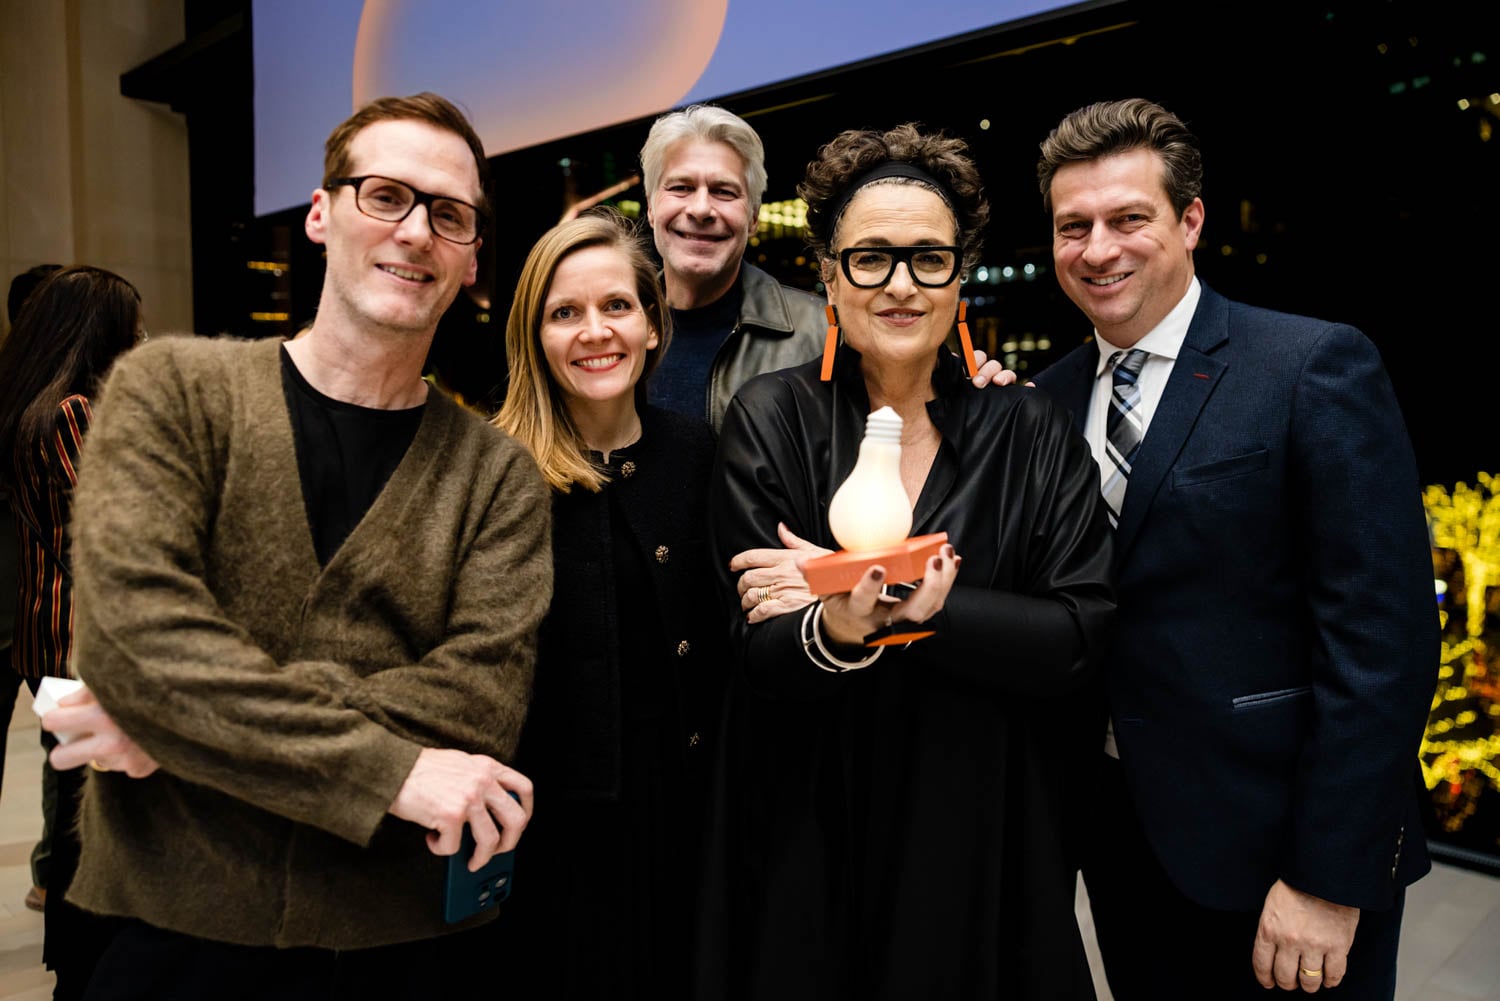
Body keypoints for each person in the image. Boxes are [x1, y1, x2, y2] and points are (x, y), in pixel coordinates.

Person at [38, 92, 552, 1000]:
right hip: (170, 931)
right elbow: (134, 647)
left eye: (449, 214)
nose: (416, 231)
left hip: (398, 941)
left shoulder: (497, 475)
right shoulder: (172, 390)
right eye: (385, 195)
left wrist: (178, 721)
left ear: (473, 257)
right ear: (321, 214)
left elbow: (476, 706)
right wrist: (390, 769)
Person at [696, 123, 1116, 1000]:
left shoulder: (1026, 427)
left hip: (987, 828)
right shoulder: (771, 418)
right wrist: (833, 629)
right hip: (815, 827)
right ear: (828, 274)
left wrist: (885, 600)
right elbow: (757, 647)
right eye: (870, 259)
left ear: (960, 278)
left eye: (929, 259)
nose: (900, 284)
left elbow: (1080, 636)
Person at [1029, 98, 1438, 998]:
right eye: (1073, 226)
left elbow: (1386, 643)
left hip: (1284, 858)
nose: (1098, 248)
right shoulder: (1042, 401)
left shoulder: (1310, 365)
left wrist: (1328, 875)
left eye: (1128, 218)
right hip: (1123, 850)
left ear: (1190, 221)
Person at [488, 207, 728, 1000]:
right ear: (536, 336)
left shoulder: (698, 451)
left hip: (687, 827)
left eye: (616, 305)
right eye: (565, 312)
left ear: (653, 325)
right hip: (552, 852)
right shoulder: (493, 474)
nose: (595, 331)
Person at [639, 104, 1012, 431]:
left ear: (753, 217)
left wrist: (974, 392)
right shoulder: (618, 331)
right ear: (652, 207)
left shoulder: (833, 332)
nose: (701, 209)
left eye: (724, 191)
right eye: (681, 188)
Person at [0, 265, 143, 999]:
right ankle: (84, 966)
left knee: (79, 807)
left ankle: (74, 958)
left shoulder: (27, 406)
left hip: (46, 635)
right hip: (81, 643)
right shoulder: (72, 413)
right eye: (130, 324)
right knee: (92, 817)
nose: (140, 336)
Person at [1, 262, 64, 916]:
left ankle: (54, 876)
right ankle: (54, 877)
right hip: (44, 611)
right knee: (69, 751)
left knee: (68, 749)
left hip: (37, 612)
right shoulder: (62, 404)